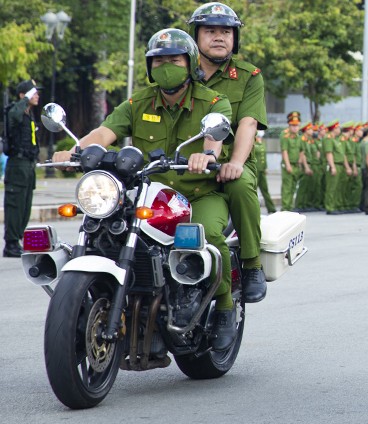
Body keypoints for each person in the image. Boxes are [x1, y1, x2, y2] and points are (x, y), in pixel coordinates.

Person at [54, 29, 237, 350]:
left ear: (190, 62)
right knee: (106, 226)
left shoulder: (213, 101)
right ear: (150, 66)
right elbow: (104, 132)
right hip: (149, 192)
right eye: (159, 60)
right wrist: (74, 150)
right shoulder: (138, 102)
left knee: (208, 233)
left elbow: (215, 140)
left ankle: (223, 308)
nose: (167, 65)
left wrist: (206, 155)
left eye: (174, 60)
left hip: (199, 194)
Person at [189, 2, 270, 303]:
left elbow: (248, 123)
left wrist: (235, 162)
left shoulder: (249, 76)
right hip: (184, 163)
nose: (219, 37)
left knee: (239, 184)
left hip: (231, 162)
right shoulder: (179, 72)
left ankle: (251, 264)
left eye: (226, 31)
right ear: (195, 36)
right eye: (210, 31)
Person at [3, 78, 41, 257]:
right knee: (15, 205)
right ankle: (10, 244)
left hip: (28, 165)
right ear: (22, 95)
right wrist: (25, 99)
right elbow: (14, 116)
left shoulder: (29, 115)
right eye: (33, 93)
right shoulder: (14, 111)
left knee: (25, 205)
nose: (37, 96)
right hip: (17, 165)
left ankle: (17, 240)